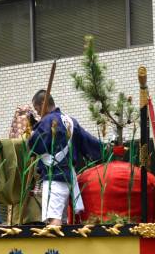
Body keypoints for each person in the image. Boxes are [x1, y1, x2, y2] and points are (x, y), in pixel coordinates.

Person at [27, 90, 102, 225]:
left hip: (53, 177)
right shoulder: (71, 121)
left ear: (43, 103)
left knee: (54, 219)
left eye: (37, 108)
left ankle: (52, 246)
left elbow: (35, 146)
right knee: (62, 219)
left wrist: (33, 132)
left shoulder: (48, 121)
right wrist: (106, 151)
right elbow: (89, 143)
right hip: (69, 177)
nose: (37, 113)